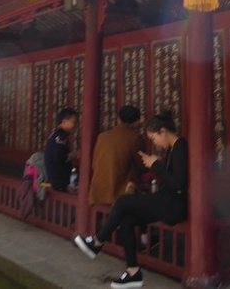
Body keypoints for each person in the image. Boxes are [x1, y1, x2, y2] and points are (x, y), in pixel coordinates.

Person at [74, 111, 187, 289]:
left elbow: (179, 184)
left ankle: (97, 241)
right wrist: (156, 165)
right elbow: (170, 180)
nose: (155, 143)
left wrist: (156, 165)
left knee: (124, 202)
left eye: (154, 138)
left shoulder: (181, 147)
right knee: (127, 220)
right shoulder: (173, 148)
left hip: (173, 205)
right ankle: (133, 272)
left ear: (163, 131)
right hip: (166, 201)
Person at [89, 105, 143, 206]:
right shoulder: (134, 138)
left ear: (118, 119)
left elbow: (94, 164)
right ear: (137, 122)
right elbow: (141, 165)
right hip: (119, 193)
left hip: (97, 193)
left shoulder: (102, 136)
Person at [44, 107, 79, 192]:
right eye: (73, 122)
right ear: (64, 122)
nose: (75, 126)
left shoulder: (57, 134)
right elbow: (59, 158)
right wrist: (74, 154)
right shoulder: (60, 137)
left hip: (56, 180)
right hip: (59, 183)